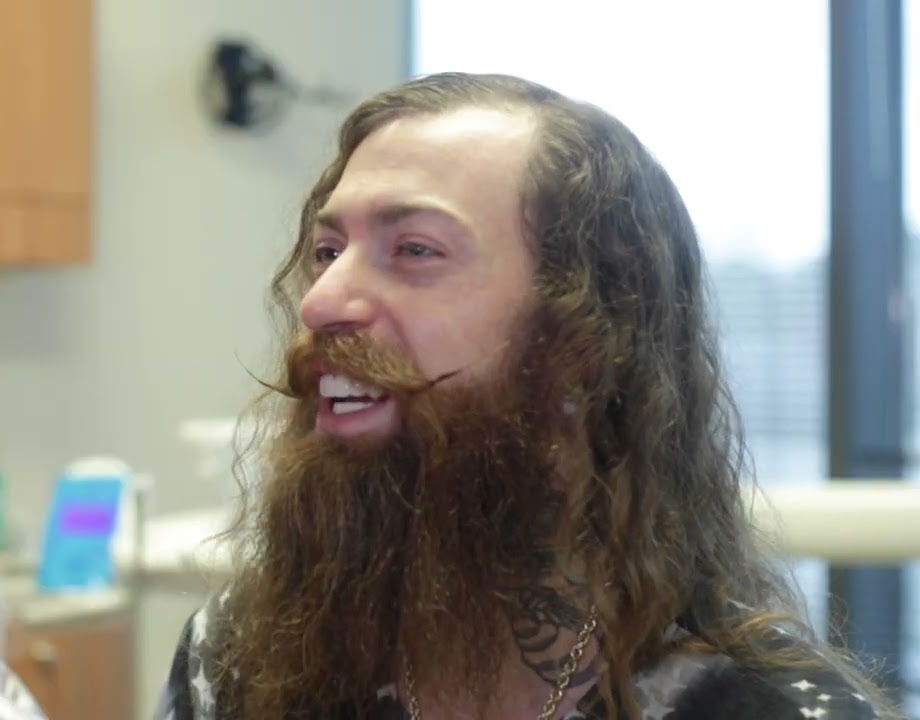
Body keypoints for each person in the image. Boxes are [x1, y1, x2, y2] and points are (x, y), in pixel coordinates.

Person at [153, 72, 898, 719]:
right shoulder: (233, 664)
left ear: (584, 337)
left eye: (414, 250)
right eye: (327, 252)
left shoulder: (769, 711)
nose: (322, 302)